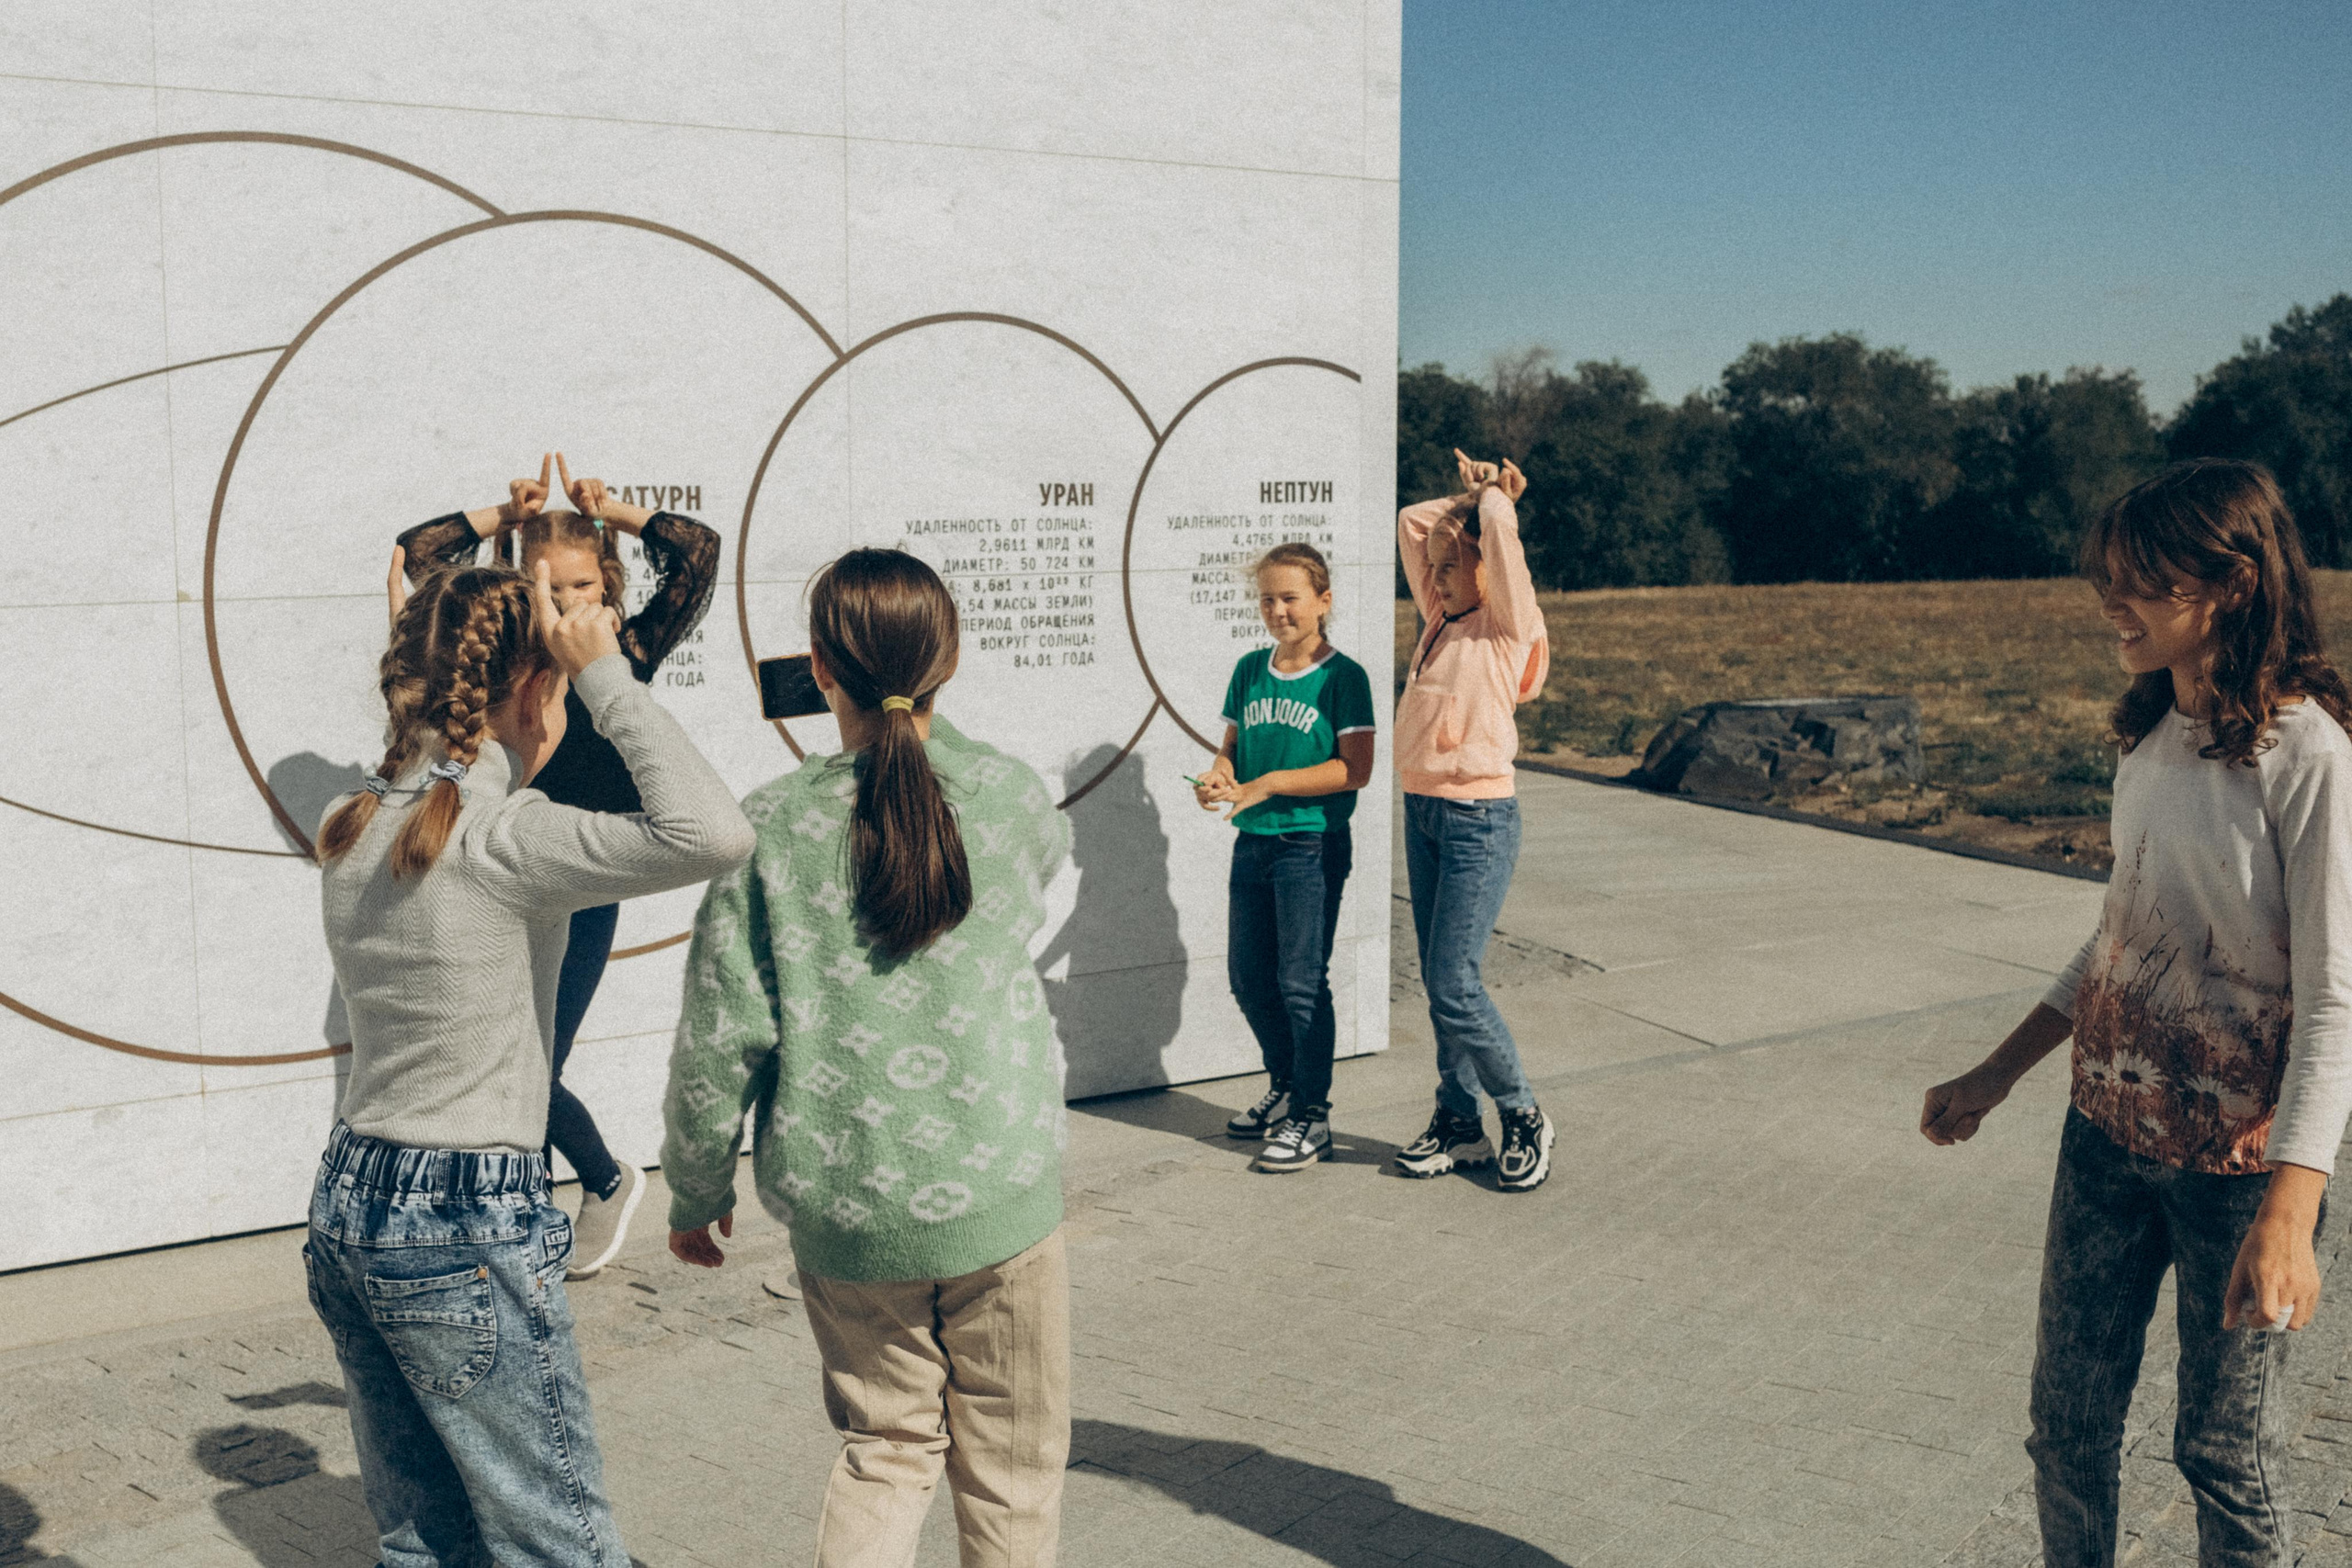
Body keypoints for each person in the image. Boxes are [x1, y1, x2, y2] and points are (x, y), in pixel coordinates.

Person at [1922, 458, 2352, 1567]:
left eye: (2140, 581)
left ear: (2236, 582)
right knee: (2064, 1435)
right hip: (2103, 1141)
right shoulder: (2151, 737)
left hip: (2239, 1176)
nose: (2108, 600)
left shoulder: (2308, 759)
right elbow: (2121, 937)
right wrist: (1998, 1070)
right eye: (2105, 576)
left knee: (2223, 1456)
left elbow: (2336, 1006)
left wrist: (2291, 1214)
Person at [305, 552, 753, 1567]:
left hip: (350, 1197)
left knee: (426, 1542)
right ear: (534, 686)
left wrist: (438, 652)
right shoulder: (505, 837)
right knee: (561, 1546)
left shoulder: (358, 819)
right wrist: (606, 674)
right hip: (462, 1213)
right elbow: (716, 834)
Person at [662, 547, 1073, 1568]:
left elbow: (723, 1031)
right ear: (952, 659)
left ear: (818, 668)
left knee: (887, 1450)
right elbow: (1037, 864)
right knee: (1014, 1471)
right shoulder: (1012, 797)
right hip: (1000, 1187)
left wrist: (694, 1187)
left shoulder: (769, 829)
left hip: (847, 1206)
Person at [395, 453, 720, 1279]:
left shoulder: (626, 656)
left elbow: (699, 551)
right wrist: (504, 523)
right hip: (495, 878)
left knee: (537, 1062)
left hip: (581, 882)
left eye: (580, 586)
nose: (564, 602)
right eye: (547, 586)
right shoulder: (508, 663)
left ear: (607, 589)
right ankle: (528, 1215)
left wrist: (610, 509)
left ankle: (604, 1180)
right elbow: (419, 554)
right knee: (500, 1057)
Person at [1391, 449, 1555, 1190]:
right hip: (1425, 810)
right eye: (1436, 567)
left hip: (1478, 819)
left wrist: (1494, 501)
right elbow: (1411, 522)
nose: (1436, 574)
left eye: (1451, 565)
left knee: (1455, 979)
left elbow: (1500, 552)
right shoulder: (1440, 621)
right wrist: (1459, 505)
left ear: (1486, 567)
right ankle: (1458, 1121)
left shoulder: (1502, 628)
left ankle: (1521, 1111)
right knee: (1438, 978)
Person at [1194, 541, 1375, 1172]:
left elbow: (1356, 770)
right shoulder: (1249, 669)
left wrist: (1268, 782)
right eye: (1267, 598)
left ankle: (1313, 1116)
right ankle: (1286, 1085)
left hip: (1311, 844)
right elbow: (1231, 749)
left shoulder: (1344, 677)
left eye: (1290, 597)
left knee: (1301, 982)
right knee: (1250, 977)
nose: (1277, 610)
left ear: (1323, 601)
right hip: (1254, 840)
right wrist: (1219, 778)